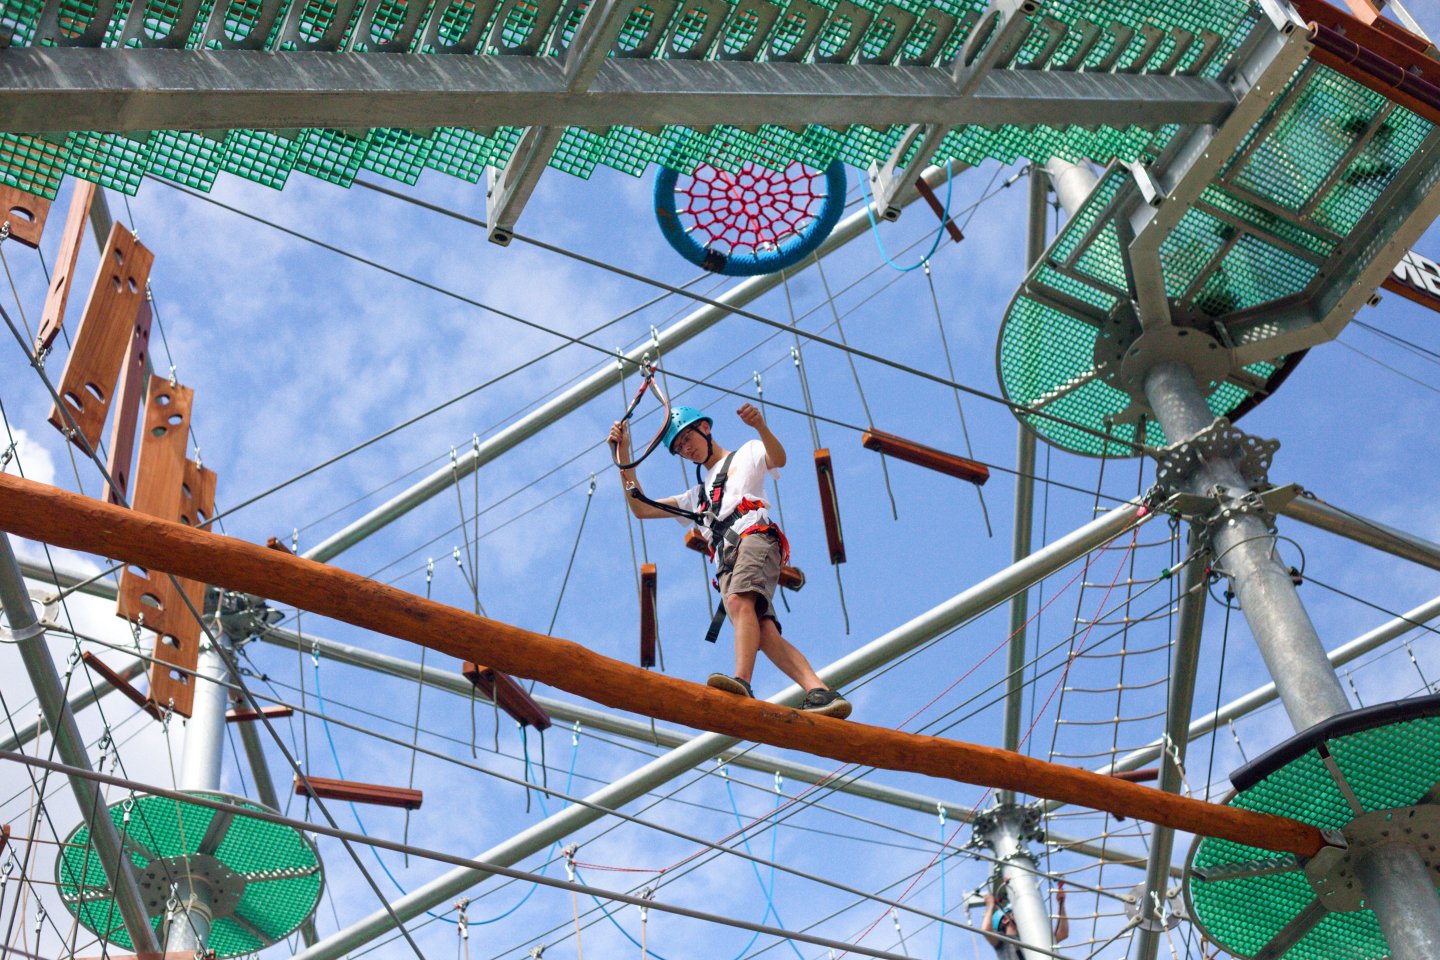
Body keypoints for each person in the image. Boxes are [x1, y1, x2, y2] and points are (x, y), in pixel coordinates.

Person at [609, 403, 852, 718]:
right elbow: (641, 507)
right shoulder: (698, 496)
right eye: (679, 448)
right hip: (726, 561)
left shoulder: (747, 453)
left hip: (755, 537)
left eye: (687, 439)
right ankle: (819, 691)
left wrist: (761, 427)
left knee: (738, 602)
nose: (686, 449)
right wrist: (624, 457)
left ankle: (742, 682)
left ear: (705, 428)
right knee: (763, 634)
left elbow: (778, 458)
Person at [981, 882, 1068, 959]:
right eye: (1014, 913)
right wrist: (990, 904)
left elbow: (1062, 934)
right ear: (1005, 920)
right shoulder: (1002, 942)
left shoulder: (1029, 940)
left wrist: (1061, 904)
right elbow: (986, 929)